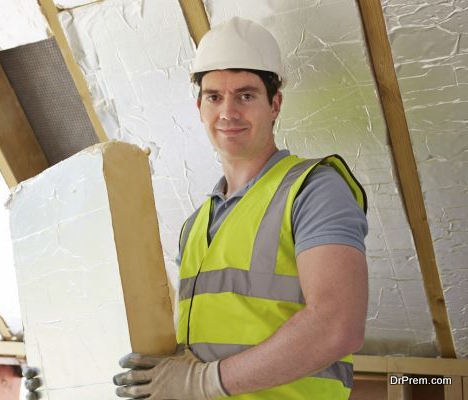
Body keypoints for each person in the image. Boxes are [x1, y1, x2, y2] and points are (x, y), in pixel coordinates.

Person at [112, 17, 369, 399]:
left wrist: (202, 382)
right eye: (215, 97)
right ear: (200, 106)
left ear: (275, 104)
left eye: (246, 95)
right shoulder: (195, 225)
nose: (228, 112)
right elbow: (195, 353)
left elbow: (337, 325)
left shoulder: (313, 189)